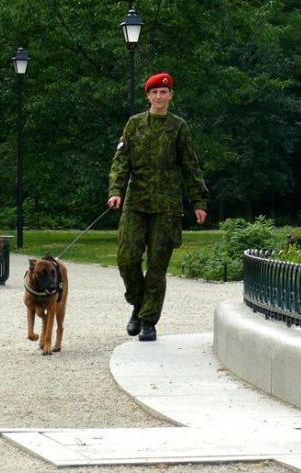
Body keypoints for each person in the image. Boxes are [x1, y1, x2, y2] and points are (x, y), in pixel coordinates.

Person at [107, 72, 209, 342]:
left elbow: (190, 166)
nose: (159, 97)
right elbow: (120, 161)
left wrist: (199, 201)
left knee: (156, 265)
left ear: (171, 96)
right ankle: (138, 304)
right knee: (126, 258)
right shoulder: (134, 125)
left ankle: (149, 320)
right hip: (136, 201)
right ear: (148, 96)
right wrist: (115, 191)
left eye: (164, 92)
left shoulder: (178, 127)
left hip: (166, 205)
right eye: (154, 92)